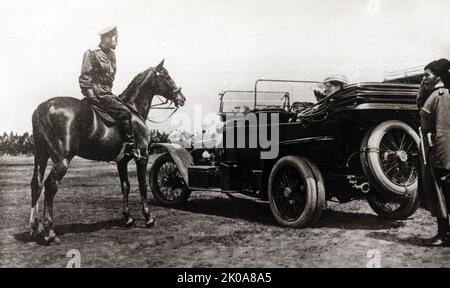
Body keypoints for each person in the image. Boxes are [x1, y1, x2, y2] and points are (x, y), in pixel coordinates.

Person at [79, 25, 138, 159]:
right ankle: (130, 146)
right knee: (125, 112)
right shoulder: (92, 53)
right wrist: (90, 94)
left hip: (107, 91)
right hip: (98, 91)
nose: (117, 40)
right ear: (106, 38)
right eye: (115, 38)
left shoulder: (111, 55)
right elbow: (85, 76)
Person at [418, 58, 450, 247]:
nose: (424, 78)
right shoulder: (432, 94)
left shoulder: (442, 95)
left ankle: (444, 235)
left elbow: (444, 130)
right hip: (431, 150)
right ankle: (444, 233)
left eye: (427, 75)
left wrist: (442, 161)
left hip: (439, 153)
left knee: (441, 194)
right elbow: (419, 102)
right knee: (438, 195)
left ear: (438, 76)